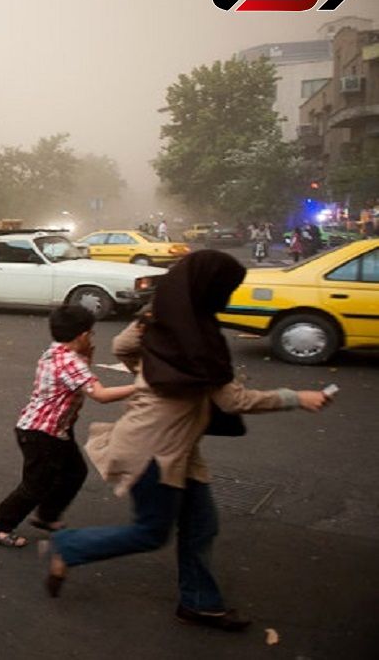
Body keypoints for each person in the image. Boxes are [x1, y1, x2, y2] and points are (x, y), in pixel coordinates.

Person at [43, 250, 332, 630]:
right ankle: (68, 547)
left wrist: (154, 374)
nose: (227, 296)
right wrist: (298, 398)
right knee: (150, 533)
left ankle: (199, 602)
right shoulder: (196, 340)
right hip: (154, 451)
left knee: (201, 526)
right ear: (208, 289)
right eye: (226, 288)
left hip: (178, 448)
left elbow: (123, 347)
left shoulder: (160, 318)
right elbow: (233, 399)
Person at [0, 305, 136, 548]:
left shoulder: (57, 352)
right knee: (35, 485)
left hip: (54, 429)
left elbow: (81, 378)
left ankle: (46, 516)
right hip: (41, 433)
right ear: (83, 335)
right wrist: (143, 387)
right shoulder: (69, 361)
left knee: (75, 472)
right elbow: (101, 394)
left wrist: (88, 356)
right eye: (91, 333)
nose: (92, 338)